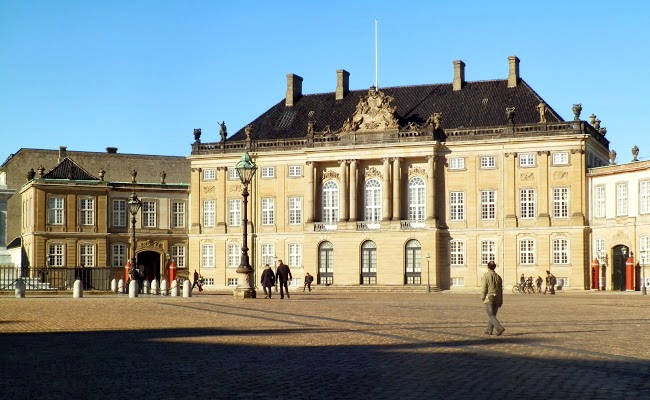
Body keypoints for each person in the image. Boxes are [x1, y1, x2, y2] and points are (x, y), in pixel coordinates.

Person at [480, 261, 505, 336]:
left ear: (487, 267)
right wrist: (501, 300)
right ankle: (489, 330)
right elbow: (501, 290)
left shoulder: (486, 275)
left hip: (489, 297)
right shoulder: (498, 276)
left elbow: (484, 288)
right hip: (497, 298)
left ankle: (499, 328)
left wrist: (482, 297)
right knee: (493, 315)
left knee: (491, 315)